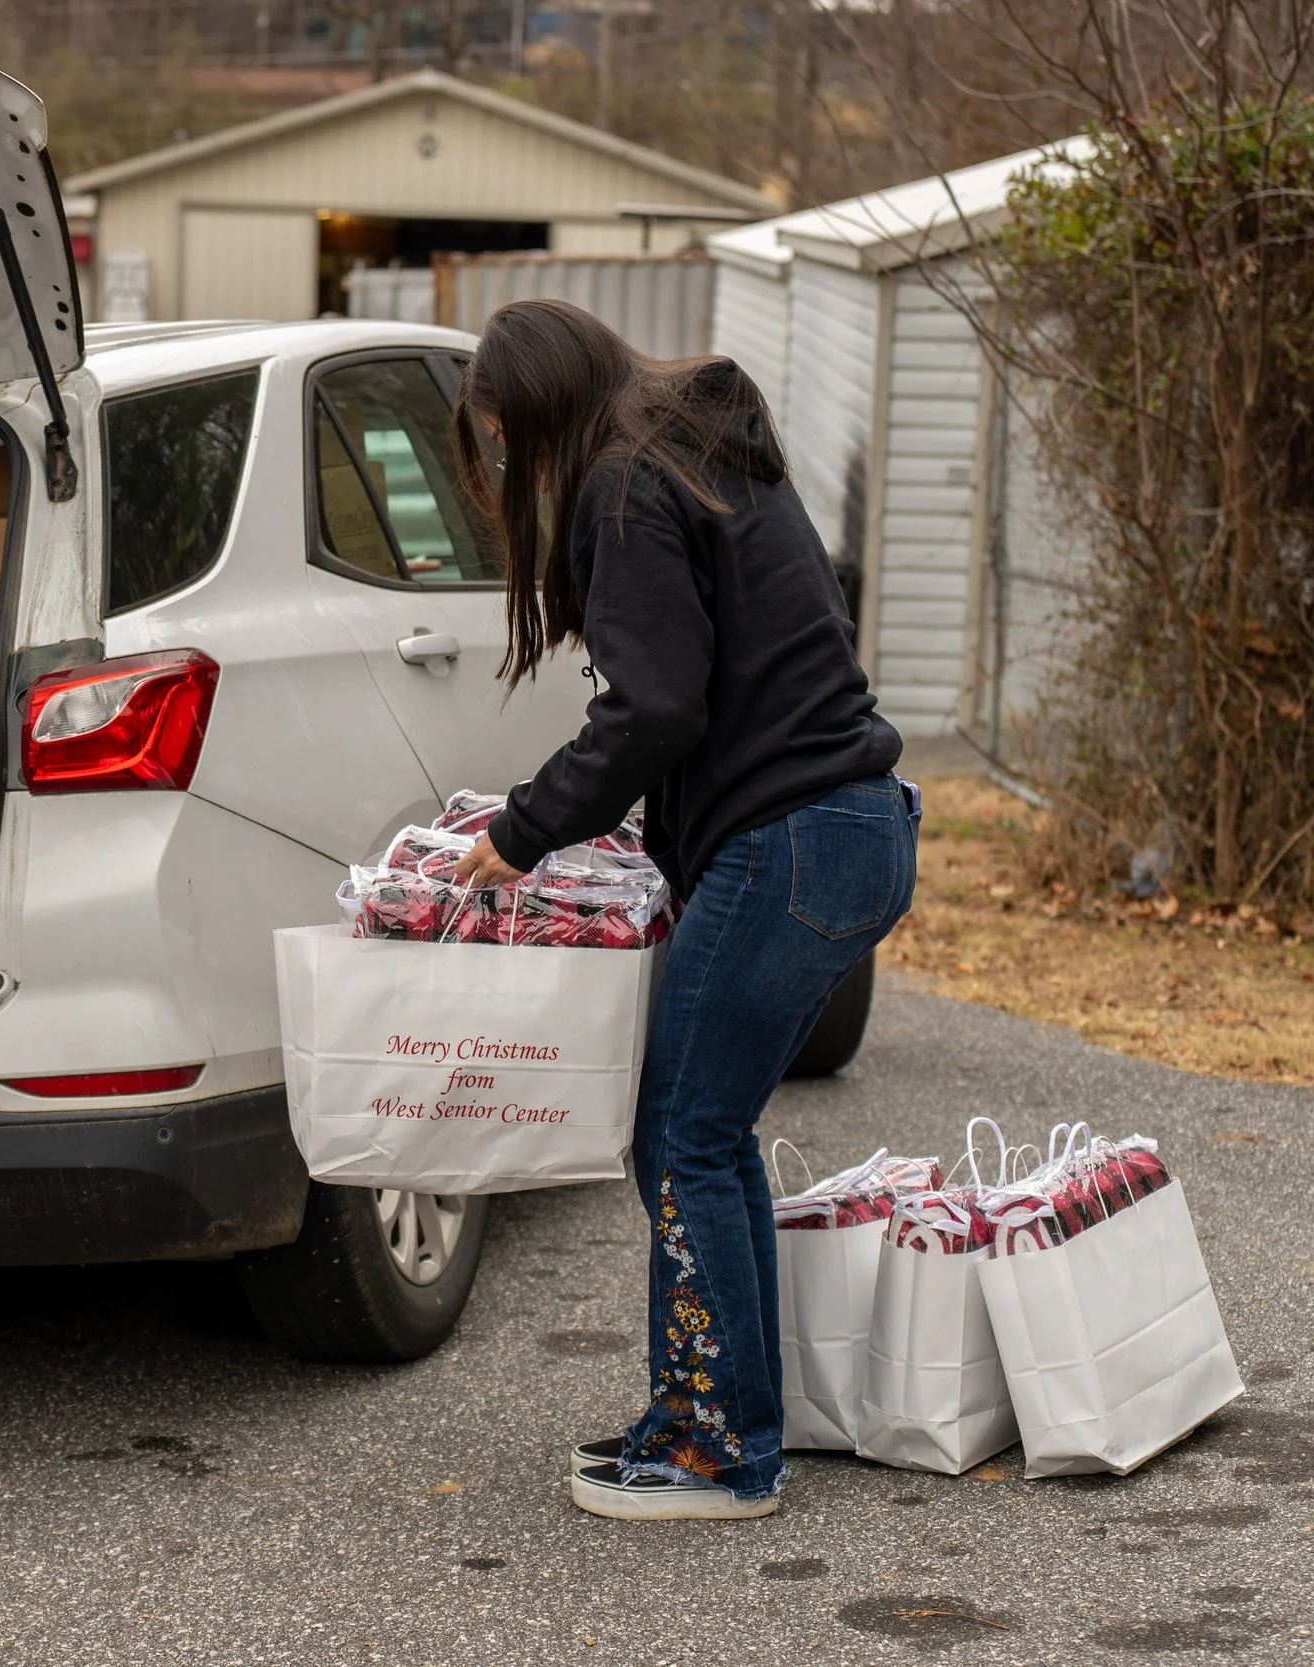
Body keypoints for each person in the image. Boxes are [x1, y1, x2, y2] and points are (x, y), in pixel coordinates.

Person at [447, 300, 916, 1521]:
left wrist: (522, 828)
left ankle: (721, 1449)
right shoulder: (697, 462)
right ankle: (714, 1409)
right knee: (700, 1133)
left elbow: (654, 709)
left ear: (542, 410)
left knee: (684, 1136)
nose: (511, 472)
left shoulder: (622, 484)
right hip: (844, 827)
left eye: (505, 442)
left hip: (794, 839)